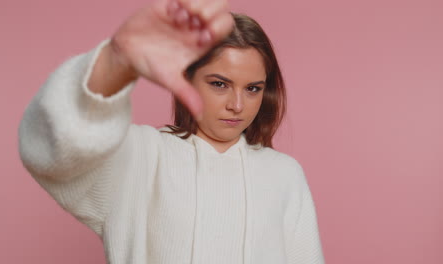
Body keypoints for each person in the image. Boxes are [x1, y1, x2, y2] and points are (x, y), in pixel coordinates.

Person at [18, 0, 325, 263]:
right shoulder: (141, 156)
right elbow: (52, 148)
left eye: (253, 89)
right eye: (219, 84)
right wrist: (116, 60)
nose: (237, 104)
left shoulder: (285, 175)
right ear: (186, 79)